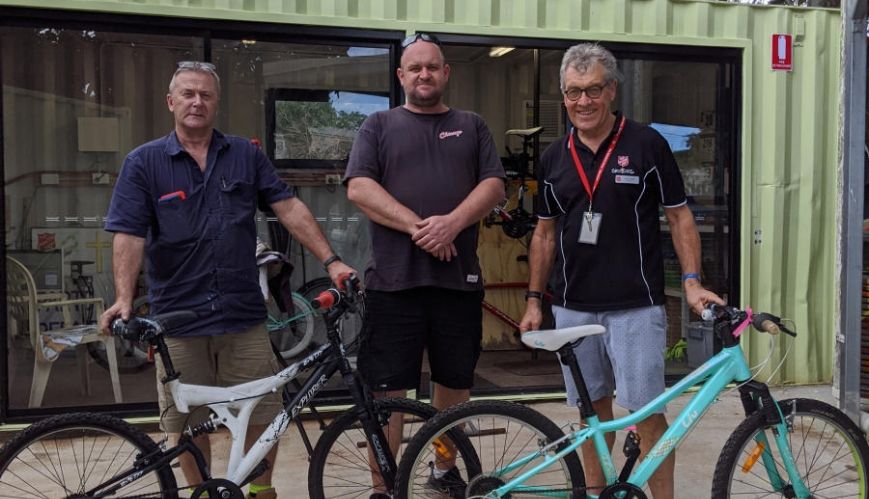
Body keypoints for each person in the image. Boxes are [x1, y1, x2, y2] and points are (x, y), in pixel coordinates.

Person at [98, 60, 355, 499]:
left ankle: (258, 491)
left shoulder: (244, 155)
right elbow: (128, 232)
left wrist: (331, 260)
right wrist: (124, 298)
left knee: (265, 414)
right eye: (188, 94)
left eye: (206, 95)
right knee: (189, 422)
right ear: (171, 101)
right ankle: (203, 494)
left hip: (242, 313)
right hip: (178, 317)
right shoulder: (144, 162)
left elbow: (287, 207)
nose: (197, 102)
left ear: (216, 103)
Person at [519, 43, 725, 499]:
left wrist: (692, 283)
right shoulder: (554, 157)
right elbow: (545, 234)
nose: (583, 102)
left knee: (648, 413)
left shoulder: (647, 144)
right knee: (592, 414)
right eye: (573, 92)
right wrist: (535, 301)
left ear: (612, 90)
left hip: (636, 306)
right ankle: (596, 493)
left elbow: (679, 217)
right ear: (564, 96)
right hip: (573, 308)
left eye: (593, 89)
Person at [344, 33, 506, 498]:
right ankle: (385, 486)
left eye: (432, 67)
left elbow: (494, 184)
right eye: (414, 68)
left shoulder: (471, 125)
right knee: (388, 392)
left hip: (457, 283)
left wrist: (452, 224)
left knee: (453, 384)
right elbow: (359, 188)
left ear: (446, 72)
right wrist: (422, 229)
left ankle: (442, 467)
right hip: (393, 285)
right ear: (401, 76)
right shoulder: (377, 125)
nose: (424, 75)